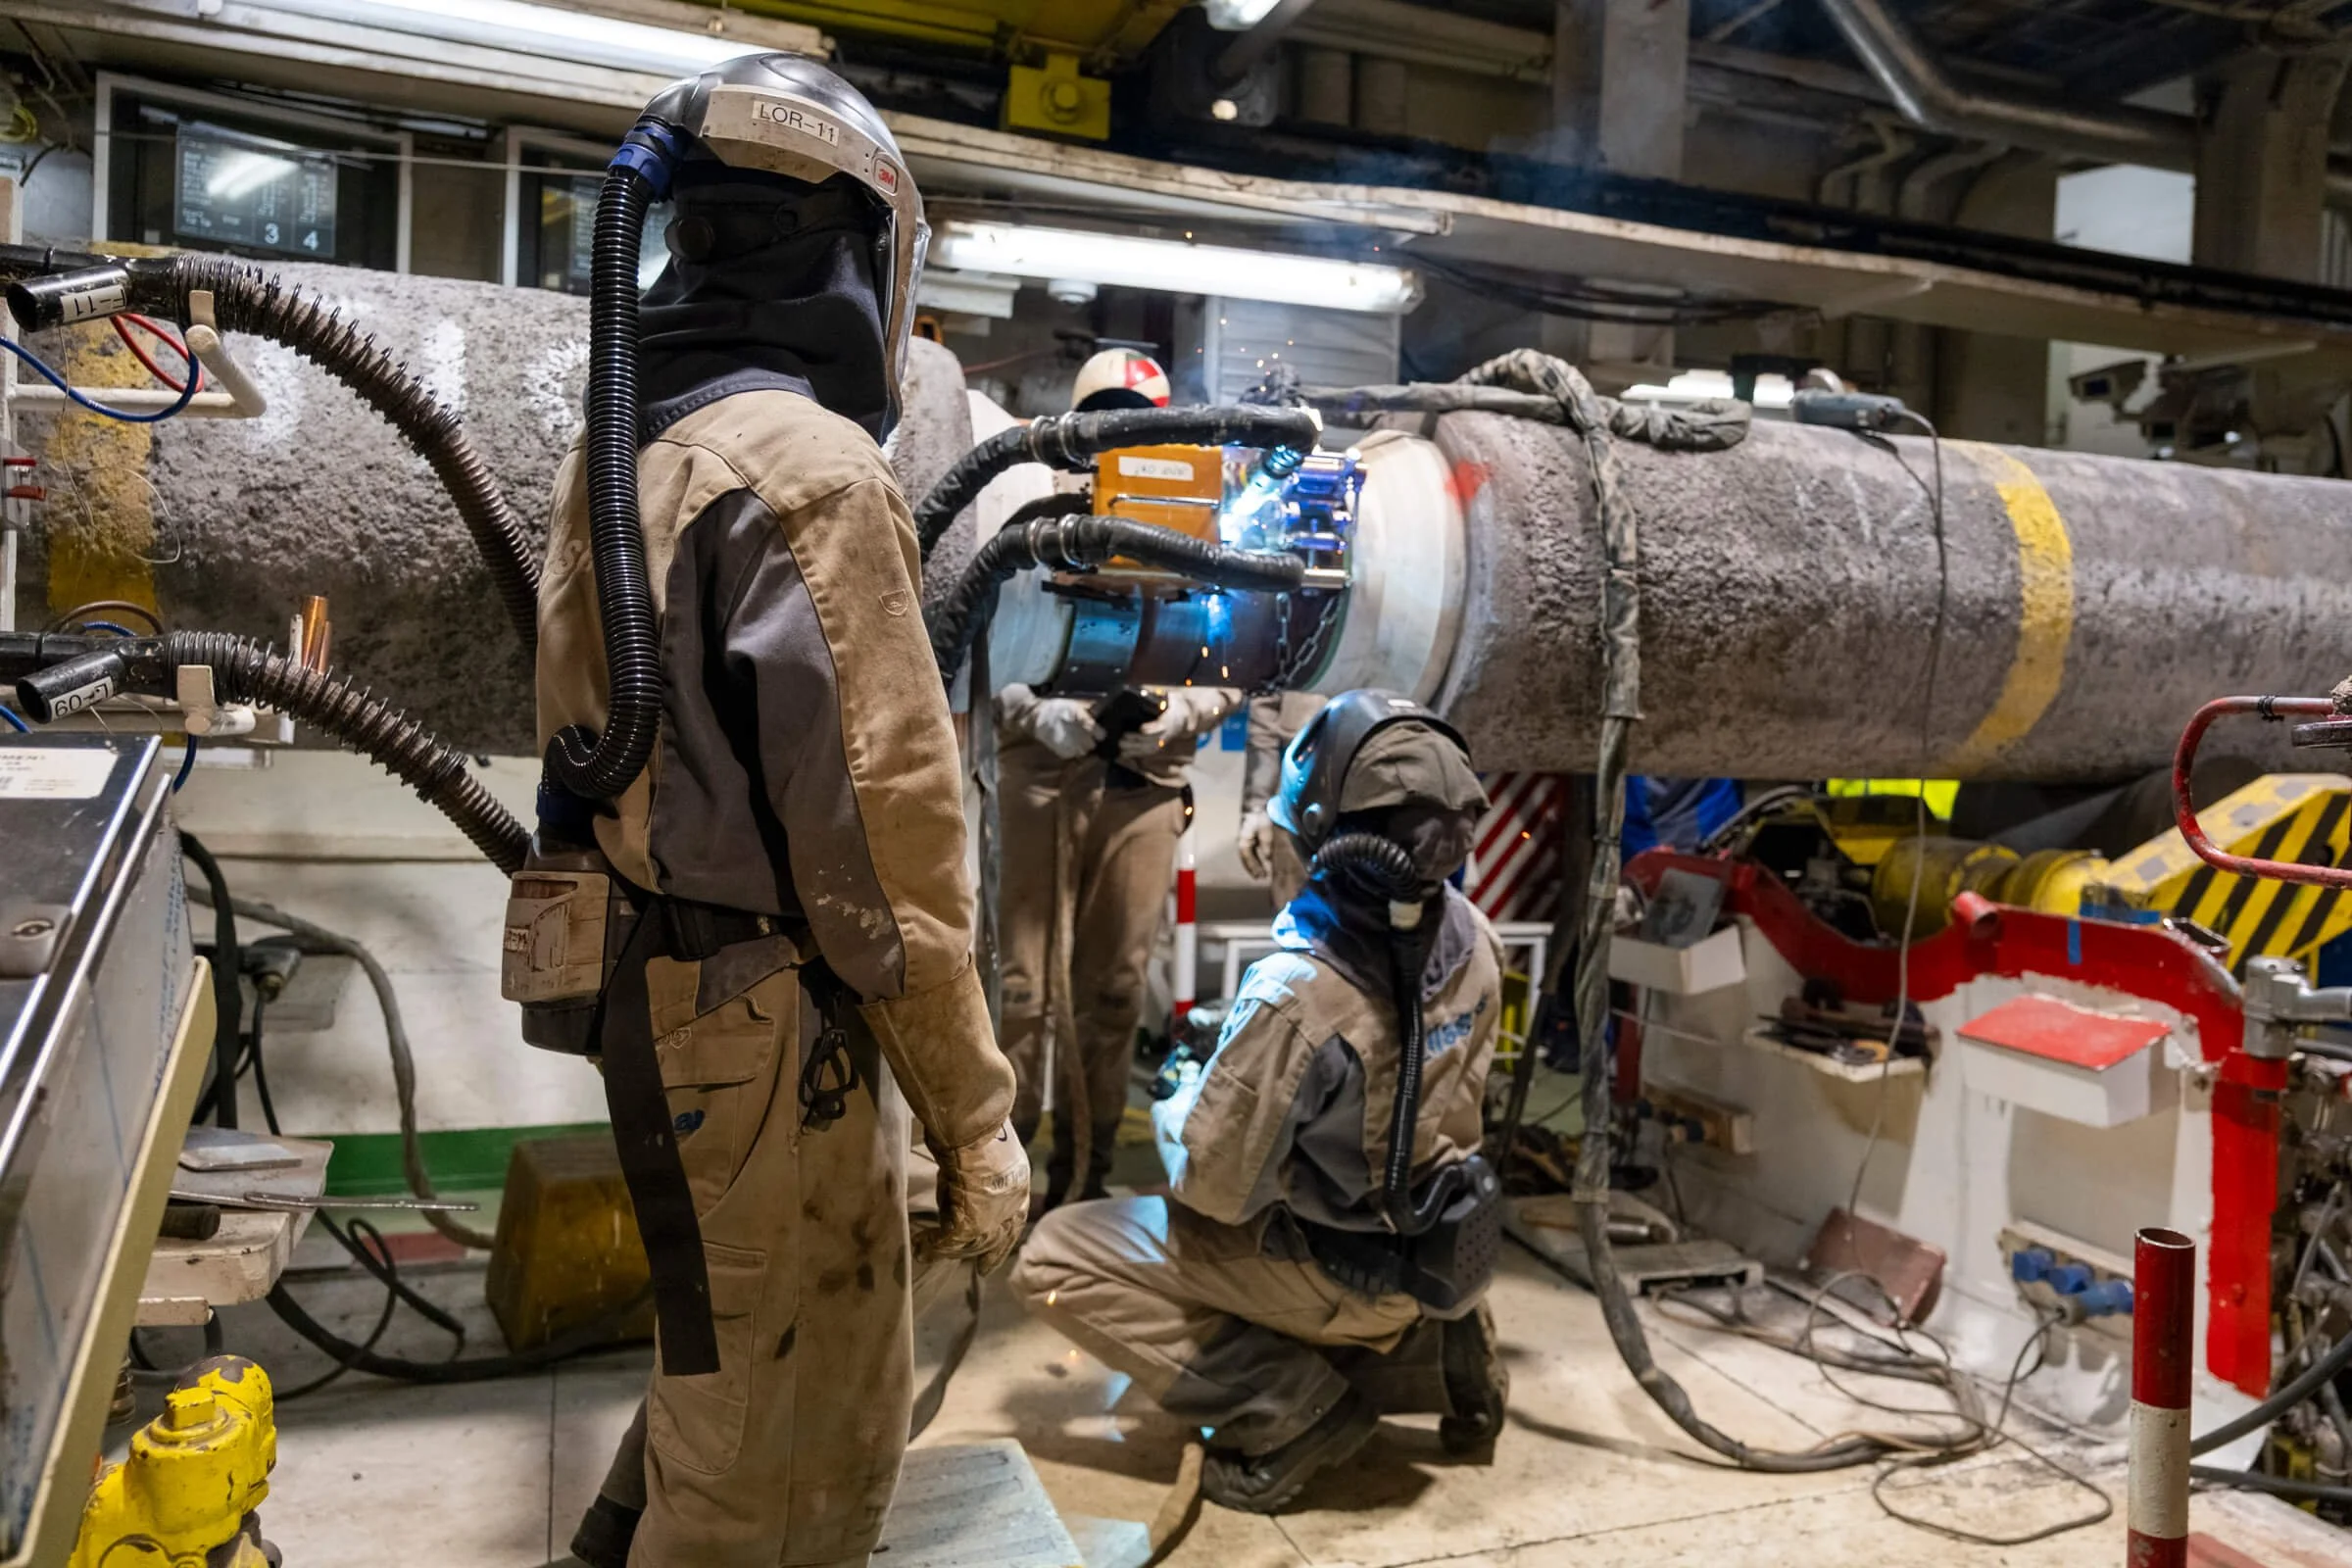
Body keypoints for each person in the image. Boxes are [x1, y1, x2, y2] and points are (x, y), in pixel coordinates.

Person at [532, 55, 1025, 1568]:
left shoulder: (636, 453)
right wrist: (980, 1127)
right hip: (771, 1037)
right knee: (792, 1482)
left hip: (660, 1002)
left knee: (718, 1374)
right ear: (863, 250)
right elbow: (889, 865)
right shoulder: (813, 472)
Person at [1011, 690, 1511, 1514]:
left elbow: (1210, 1187)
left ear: (1326, 832)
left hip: (1330, 1265)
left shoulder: (1299, 994)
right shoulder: (1472, 934)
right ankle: (1429, 1354)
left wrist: (1182, 1094)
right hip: (1431, 1245)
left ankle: (1284, 1407)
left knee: (1060, 1256)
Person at [995, 347, 1236, 1213]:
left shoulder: (1201, 530)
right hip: (1043, 777)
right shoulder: (1032, 514)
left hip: (1143, 787)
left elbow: (1236, 655)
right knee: (1022, 989)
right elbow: (982, 638)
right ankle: (1007, 1179)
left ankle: (1086, 1175)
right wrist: (1034, 711)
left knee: (1111, 994)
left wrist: (1181, 714)